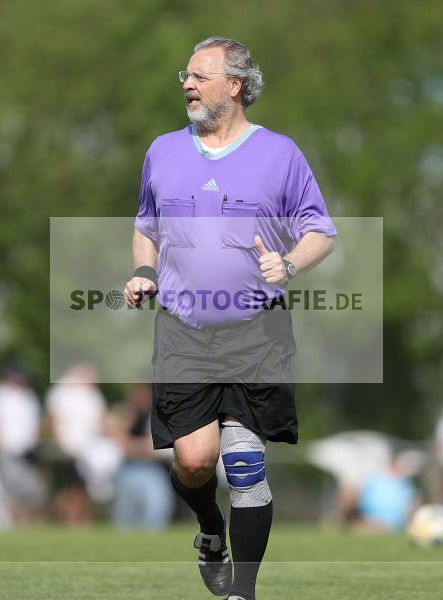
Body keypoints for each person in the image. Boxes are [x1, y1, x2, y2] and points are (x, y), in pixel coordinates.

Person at [123, 37, 336, 600]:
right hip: (183, 331)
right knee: (194, 462)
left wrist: (288, 263)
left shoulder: (280, 154)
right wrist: (144, 273)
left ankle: (244, 590)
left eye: (200, 75)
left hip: (255, 331)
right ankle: (210, 530)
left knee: (243, 464)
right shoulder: (162, 151)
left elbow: (321, 231)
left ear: (235, 85)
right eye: (185, 75)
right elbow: (146, 226)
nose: (188, 85)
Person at [45, 363, 107, 524]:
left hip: (88, 451)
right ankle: (70, 518)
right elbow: (52, 421)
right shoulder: (61, 391)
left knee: (83, 487)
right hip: (67, 449)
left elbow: (100, 424)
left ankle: (80, 519)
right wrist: (60, 444)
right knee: (73, 487)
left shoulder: (93, 395)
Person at [110, 385, 174, 529]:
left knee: (155, 509)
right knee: (124, 513)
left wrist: (132, 446)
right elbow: (115, 441)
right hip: (128, 469)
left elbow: (161, 450)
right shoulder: (125, 415)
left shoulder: (159, 415)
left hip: (153, 471)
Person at [0, 362, 45, 521]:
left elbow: (35, 424)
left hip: (28, 453)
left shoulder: (29, 396)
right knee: (11, 492)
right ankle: (12, 522)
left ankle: (22, 521)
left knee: (32, 491)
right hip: (7, 450)